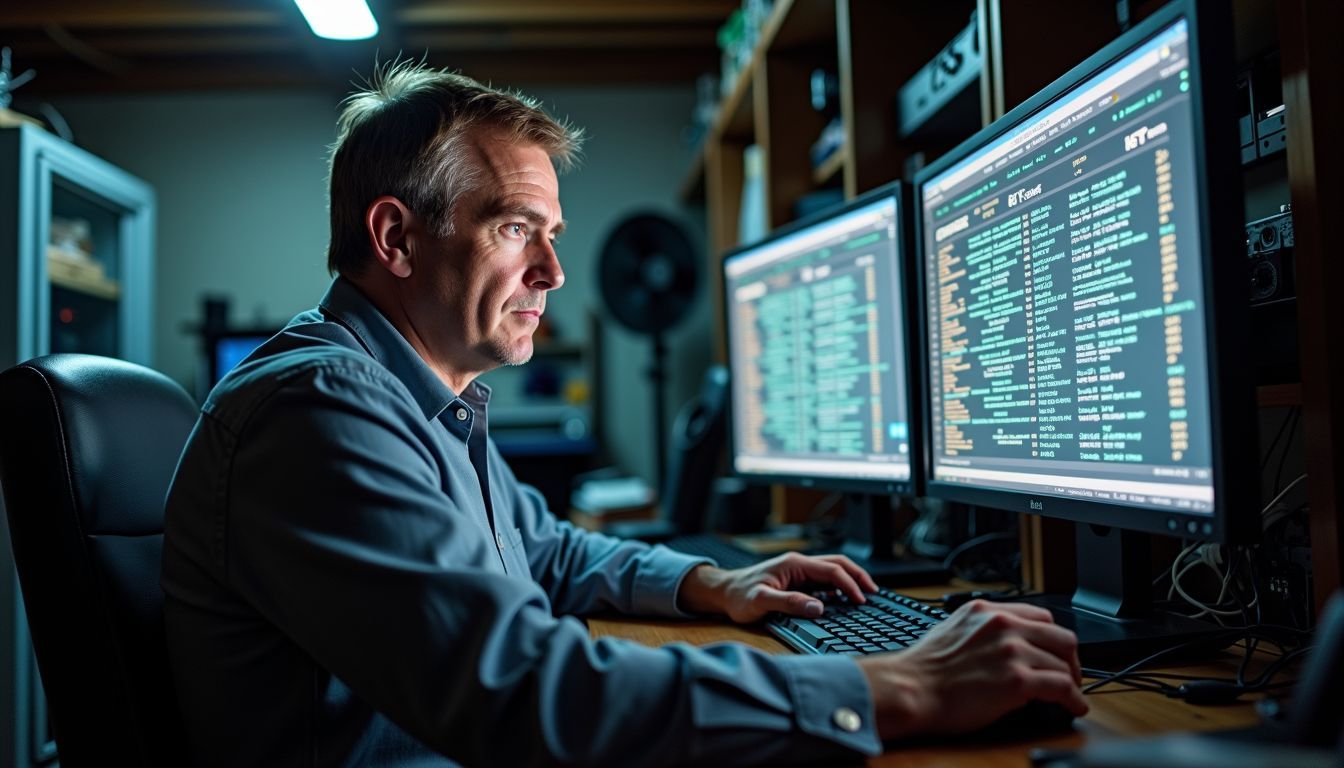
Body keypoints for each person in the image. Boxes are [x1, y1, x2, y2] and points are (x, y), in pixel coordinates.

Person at [162, 62, 1087, 767]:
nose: (553, 275)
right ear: (396, 237)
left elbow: (546, 551)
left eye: (551, 236)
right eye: (516, 227)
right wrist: (888, 688)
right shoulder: (321, 407)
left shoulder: (416, 398)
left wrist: (708, 584)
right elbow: (520, 691)